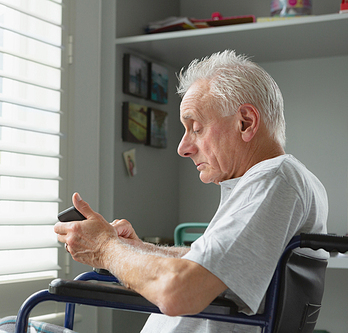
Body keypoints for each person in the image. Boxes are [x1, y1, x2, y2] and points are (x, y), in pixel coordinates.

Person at [54, 50, 328, 332]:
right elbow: (212, 269)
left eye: (195, 128)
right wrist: (137, 249)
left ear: (245, 122)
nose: (183, 148)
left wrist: (104, 248)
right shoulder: (274, 181)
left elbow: (179, 291)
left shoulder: (275, 178)